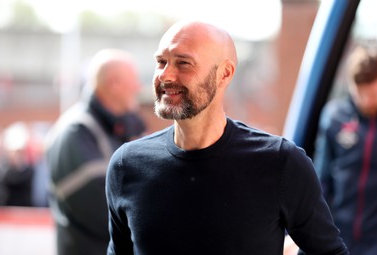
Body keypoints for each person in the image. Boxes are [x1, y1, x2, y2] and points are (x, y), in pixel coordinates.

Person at [105, 20, 348, 255]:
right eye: (161, 62)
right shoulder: (127, 165)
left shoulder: (280, 162)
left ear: (225, 74)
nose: (166, 75)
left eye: (183, 63)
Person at [45, 49, 146, 255]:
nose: (139, 87)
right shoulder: (76, 131)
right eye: (133, 80)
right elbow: (101, 209)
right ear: (113, 84)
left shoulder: (122, 128)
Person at [313, 43, 377, 254]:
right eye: (360, 94)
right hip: (340, 236)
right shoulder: (334, 117)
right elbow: (321, 179)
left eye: (373, 94)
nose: (367, 101)